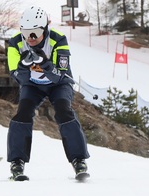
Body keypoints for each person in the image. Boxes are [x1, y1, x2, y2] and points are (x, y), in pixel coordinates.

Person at [7, 6, 90, 180]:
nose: (30, 38)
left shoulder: (58, 40)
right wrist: (23, 65)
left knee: (62, 110)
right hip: (33, 85)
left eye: (35, 33)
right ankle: (17, 162)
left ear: (44, 28)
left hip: (58, 84)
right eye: (26, 32)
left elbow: (59, 75)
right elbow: (17, 76)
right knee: (23, 113)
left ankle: (79, 159)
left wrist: (45, 64)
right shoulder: (15, 43)